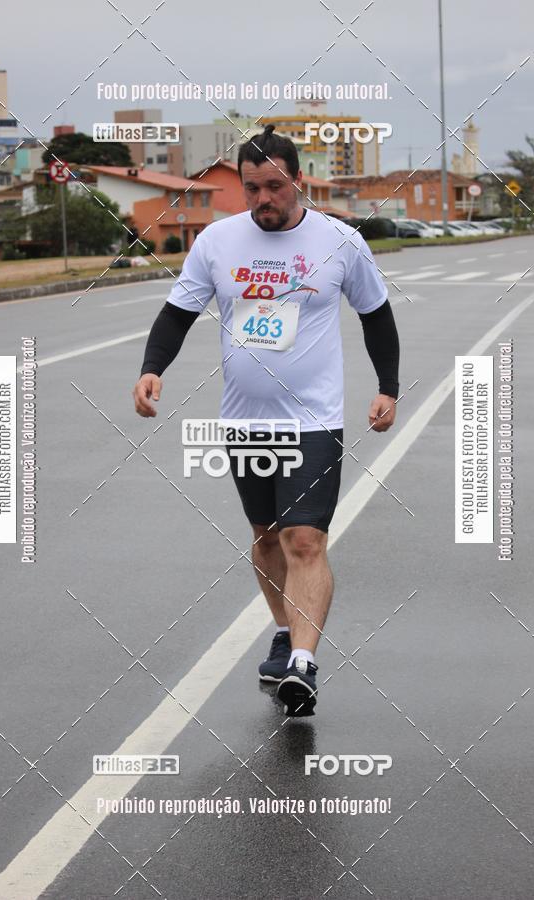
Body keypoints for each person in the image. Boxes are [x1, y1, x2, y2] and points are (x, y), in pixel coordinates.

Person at [133, 125, 400, 717]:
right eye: (252, 188)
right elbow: (177, 314)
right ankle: (286, 630)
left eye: (274, 187)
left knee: (303, 537)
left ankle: (303, 662)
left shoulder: (339, 241)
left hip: (314, 419)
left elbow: (376, 316)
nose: (262, 200)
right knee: (265, 536)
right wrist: (153, 369)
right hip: (246, 421)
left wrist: (388, 387)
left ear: (297, 181)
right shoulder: (218, 243)